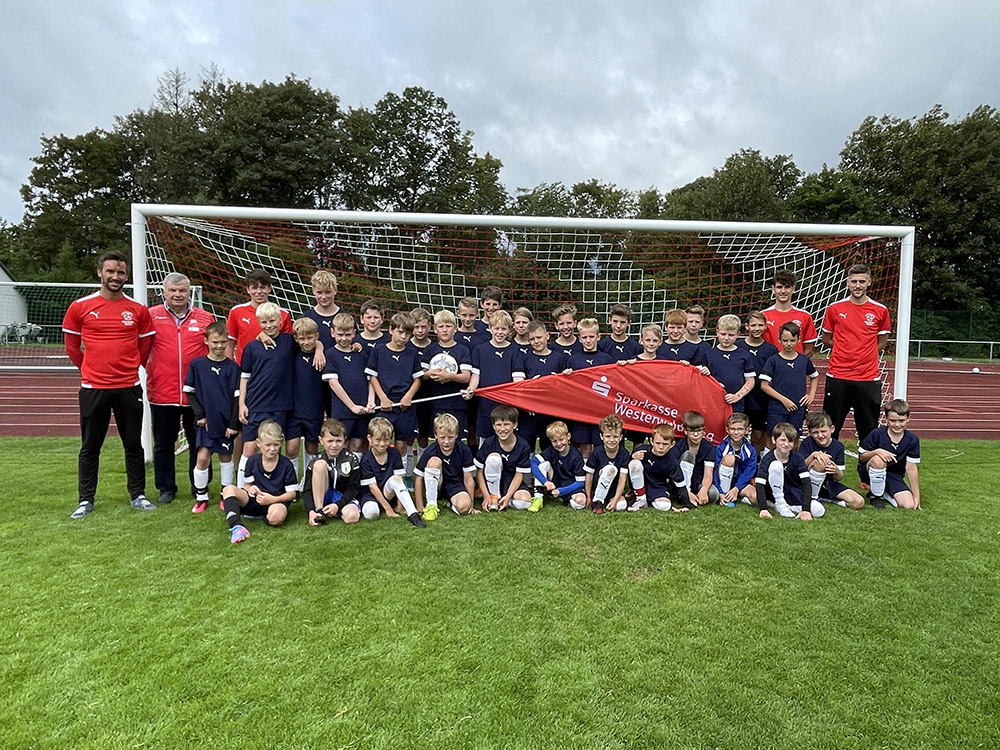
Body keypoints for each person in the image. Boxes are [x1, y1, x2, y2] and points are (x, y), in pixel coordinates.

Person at [63, 250, 156, 518]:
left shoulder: (137, 310)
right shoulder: (80, 307)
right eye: (111, 271)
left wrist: (129, 366)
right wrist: (90, 369)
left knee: (133, 444)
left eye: (121, 272)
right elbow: (71, 346)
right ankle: (85, 500)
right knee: (90, 446)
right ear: (100, 273)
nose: (116, 277)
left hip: (128, 387)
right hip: (94, 388)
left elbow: (145, 345)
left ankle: (137, 494)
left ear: (126, 275)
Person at [145, 272, 215, 504]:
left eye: (182, 291)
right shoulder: (151, 316)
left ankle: (200, 486)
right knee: (164, 443)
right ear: (164, 292)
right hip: (162, 392)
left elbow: (214, 353)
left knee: (200, 443)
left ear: (189, 292)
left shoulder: (205, 318)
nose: (177, 295)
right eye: (173, 290)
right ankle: (166, 488)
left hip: (196, 394)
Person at [821, 263, 891, 441]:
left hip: (867, 378)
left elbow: (881, 342)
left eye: (861, 281)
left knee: (868, 428)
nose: (857, 285)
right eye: (854, 281)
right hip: (838, 375)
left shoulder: (880, 310)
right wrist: (845, 350)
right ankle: (830, 466)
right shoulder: (834, 308)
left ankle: (869, 467)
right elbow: (827, 339)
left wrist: (863, 354)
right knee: (831, 426)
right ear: (847, 283)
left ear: (869, 282)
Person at [184, 321, 241, 514]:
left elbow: (236, 398)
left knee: (225, 457)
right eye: (215, 342)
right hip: (205, 422)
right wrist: (200, 414)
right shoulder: (197, 365)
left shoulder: (233, 368)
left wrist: (233, 423)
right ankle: (201, 496)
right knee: (202, 458)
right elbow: (189, 392)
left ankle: (226, 493)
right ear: (206, 341)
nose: (219, 346)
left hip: (225, 423)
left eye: (223, 342)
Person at [237, 302, 295, 484]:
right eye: (264, 322)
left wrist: (318, 349)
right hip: (255, 404)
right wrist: (242, 404)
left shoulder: (289, 342)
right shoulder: (252, 347)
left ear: (280, 320)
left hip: (280, 405)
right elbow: (245, 377)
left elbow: (311, 339)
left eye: (272, 321)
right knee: (250, 448)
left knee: (276, 447)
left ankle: (287, 486)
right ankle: (242, 488)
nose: (268, 325)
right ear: (258, 322)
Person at [220, 420, 297, 544]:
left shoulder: (286, 464)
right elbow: (247, 485)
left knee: (277, 517)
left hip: (275, 501)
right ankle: (237, 526)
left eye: (276, 445)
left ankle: (266, 516)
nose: (272, 449)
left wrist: (272, 499)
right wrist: (251, 489)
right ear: (258, 443)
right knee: (228, 490)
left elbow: (292, 494)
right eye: (268, 445)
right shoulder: (252, 461)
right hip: (255, 499)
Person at [366, 312, 423, 457]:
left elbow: (417, 379)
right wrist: (383, 398)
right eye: (400, 332)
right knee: (379, 441)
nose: (403, 337)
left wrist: (408, 396)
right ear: (391, 329)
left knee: (401, 444)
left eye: (408, 334)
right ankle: (379, 475)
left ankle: (400, 476)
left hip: (405, 406)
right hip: (384, 404)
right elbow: (372, 377)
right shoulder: (379, 350)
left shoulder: (412, 353)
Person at [464, 310, 525, 443]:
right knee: (485, 442)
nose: (500, 332)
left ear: (509, 330)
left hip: (507, 405)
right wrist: (471, 389)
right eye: (496, 328)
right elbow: (476, 375)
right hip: (486, 405)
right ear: (490, 328)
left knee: (507, 440)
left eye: (504, 329)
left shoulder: (515, 351)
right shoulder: (480, 350)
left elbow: (518, 381)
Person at [358, 417, 426, 527]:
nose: (382, 444)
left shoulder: (394, 453)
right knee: (371, 514)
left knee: (395, 479)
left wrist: (400, 504)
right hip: (371, 495)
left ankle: (413, 514)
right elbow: (372, 487)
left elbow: (399, 480)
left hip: (388, 492)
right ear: (369, 438)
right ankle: (385, 508)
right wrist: (388, 509)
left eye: (386, 440)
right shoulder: (366, 459)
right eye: (378, 440)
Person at [564, 318, 615, 458]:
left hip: (601, 409)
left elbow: (614, 383)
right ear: (579, 338)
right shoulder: (573, 360)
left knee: (600, 444)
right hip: (582, 410)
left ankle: (599, 474)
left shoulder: (607, 359)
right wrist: (567, 376)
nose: (588, 340)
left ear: (598, 337)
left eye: (591, 337)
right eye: (584, 337)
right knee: (584, 445)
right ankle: (586, 475)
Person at [858, 399, 921, 510]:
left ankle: (884, 493)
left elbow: (911, 468)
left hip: (894, 476)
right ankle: (876, 496)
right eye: (892, 420)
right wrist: (877, 451)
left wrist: (916, 496)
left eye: (901, 421)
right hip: (870, 471)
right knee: (879, 460)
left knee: (909, 505)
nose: (897, 424)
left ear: (908, 419)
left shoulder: (912, 440)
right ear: (886, 419)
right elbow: (862, 457)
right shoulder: (876, 434)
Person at [516, 320, 567, 452]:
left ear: (547, 335)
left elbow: (566, 386)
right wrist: (527, 401)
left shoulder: (559, 358)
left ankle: (549, 471)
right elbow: (519, 385)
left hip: (551, 412)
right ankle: (527, 471)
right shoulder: (524, 358)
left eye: (539, 337)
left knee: (549, 445)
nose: (536, 341)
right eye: (532, 339)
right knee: (526, 445)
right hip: (530, 412)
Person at [414, 413, 478, 518]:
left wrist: (471, 506)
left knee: (464, 507)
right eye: (442, 437)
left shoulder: (463, 450)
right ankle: (432, 504)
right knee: (434, 461)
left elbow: (468, 479)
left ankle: (451, 503)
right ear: (435, 435)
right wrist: (419, 507)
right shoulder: (430, 451)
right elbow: (418, 478)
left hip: (455, 485)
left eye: (451, 437)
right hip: (436, 486)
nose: (446, 441)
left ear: (457, 434)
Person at [760, 322, 819, 436]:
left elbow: (814, 376)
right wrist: (784, 400)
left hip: (797, 408)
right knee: (775, 438)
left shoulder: (803, 360)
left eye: (792, 340)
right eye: (785, 340)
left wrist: (811, 395)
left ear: (798, 339)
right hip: (777, 408)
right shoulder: (773, 360)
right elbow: (764, 385)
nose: (789, 344)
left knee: (794, 439)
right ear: (779, 340)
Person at [799, 410, 864, 513]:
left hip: (828, 483)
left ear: (832, 429)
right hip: (807, 482)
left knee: (858, 502)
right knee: (820, 462)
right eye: (815, 432)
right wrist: (813, 455)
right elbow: (799, 468)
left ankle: (827, 499)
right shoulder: (807, 443)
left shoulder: (838, 446)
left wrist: (836, 471)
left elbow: (839, 478)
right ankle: (812, 498)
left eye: (823, 431)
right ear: (810, 433)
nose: (820, 435)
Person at [285, 317, 326, 480]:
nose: (306, 342)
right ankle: (292, 483)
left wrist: (320, 349)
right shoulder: (292, 352)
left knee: (312, 447)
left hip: (314, 410)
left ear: (316, 336)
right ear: (296, 338)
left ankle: (309, 481)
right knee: (291, 448)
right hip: (294, 409)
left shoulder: (323, 356)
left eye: (310, 338)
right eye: (302, 338)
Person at [422, 310, 472, 441]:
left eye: (448, 326)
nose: (445, 330)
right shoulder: (429, 350)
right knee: (437, 441)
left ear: (455, 328)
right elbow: (422, 375)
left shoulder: (463, 350)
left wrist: (448, 376)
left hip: (457, 404)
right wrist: (430, 374)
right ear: (435, 329)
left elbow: (466, 377)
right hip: (435, 403)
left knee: (457, 441)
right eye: (441, 326)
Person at [302, 418, 363, 525]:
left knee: (352, 517)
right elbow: (307, 489)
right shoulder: (316, 460)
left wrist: (338, 505)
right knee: (320, 465)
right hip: (321, 496)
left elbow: (354, 488)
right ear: (321, 440)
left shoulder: (351, 459)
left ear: (344, 439)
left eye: (338, 441)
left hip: (341, 496)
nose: (334, 445)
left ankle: (334, 510)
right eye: (330, 441)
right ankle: (319, 511)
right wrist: (310, 511)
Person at [225, 269, 292, 364]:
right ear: (248, 289)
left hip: (272, 368)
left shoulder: (283, 314)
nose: (259, 291)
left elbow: (288, 345)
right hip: (245, 369)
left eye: (262, 287)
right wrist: (229, 369)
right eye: (254, 288)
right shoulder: (236, 311)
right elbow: (230, 344)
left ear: (269, 288)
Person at [475, 405, 533, 511]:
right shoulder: (488, 443)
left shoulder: (523, 446)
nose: (502, 429)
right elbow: (479, 472)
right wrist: (486, 495)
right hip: (490, 480)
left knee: (525, 502)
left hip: (510, 481)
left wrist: (508, 496)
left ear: (515, 424)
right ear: (493, 426)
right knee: (494, 458)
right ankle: (493, 496)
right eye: (498, 425)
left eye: (506, 424)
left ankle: (504, 500)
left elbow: (519, 474)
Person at [754, 422, 816, 520]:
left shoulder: (797, 458)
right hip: (773, 493)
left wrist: (806, 510)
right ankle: (780, 504)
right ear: (774, 440)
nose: (786, 444)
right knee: (776, 465)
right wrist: (763, 509)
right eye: (782, 440)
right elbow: (759, 484)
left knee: (819, 510)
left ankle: (791, 507)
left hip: (792, 492)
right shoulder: (767, 458)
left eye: (790, 441)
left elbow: (806, 483)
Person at [738, 310, 779, 451]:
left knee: (758, 434)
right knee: (737, 431)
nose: (757, 328)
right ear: (747, 326)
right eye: (753, 325)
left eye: (760, 325)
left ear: (765, 326)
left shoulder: (771, 350)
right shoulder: (738, 346)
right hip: (741, 396)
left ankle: (756, 463)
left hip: (761, 398)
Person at [628, 423, 687, 512]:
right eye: (657, 443)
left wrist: (687, 503)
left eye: (665, 444)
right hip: (639, 483)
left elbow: (679, 482)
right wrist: (632, 457)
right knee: (634, 464)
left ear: (672, 444)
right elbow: (624, 467)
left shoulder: (672, 461)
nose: (661, 447)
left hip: (657, 486)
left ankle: (650, 498)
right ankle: (640, 499)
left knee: (665, 506)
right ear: (651, 441)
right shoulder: (641, 451)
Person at [703, 314, 755, 414]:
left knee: (736, 428)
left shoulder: (744, 355)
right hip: (713, 402)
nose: (726, 338)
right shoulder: (708, 354)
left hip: (736, 404)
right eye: (723, 334)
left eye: (731, 335)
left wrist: (737, 396)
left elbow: (750, 381)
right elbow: (701, 380)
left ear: (738, 334)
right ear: (717, 332)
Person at [530, 420, 587, 510]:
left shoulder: (576, 455)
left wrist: (561, 491)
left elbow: (580, 482)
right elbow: (533, 462)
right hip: (555, 482)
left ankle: (567, 500)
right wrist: (545, 482)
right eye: (554, 441)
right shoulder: (552, 450)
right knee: (543, 464)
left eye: (561, 439)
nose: (558, 444)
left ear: (568, 436)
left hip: (571, 486)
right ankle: (538, 497)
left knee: (581, 501)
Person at [667, 411, 719, 506]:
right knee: (689, 455)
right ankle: (685, 495)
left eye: (699, 431)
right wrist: (685, 491)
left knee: (713, 494)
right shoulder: (678, 447)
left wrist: (704, 489)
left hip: (699, 482)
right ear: (686, 431)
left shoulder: (708, 448)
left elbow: (708, 473)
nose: (696, 435)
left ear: (703, 431)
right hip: (680, 483)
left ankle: (695, 497)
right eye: (692, 431)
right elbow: (673, 473)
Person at [762, 269, 818, 355]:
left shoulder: (805, 316)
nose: (783, 291)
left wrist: (797, 364)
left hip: (795, 367)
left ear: (793, 289)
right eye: (779, 287)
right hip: (769, 366)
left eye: (787, 287)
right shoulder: (763, 316)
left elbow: (809, 349)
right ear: (773, 290)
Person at [585, 414, 631, 514]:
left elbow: (622, 479)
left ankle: (608, 500)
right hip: (597, 487)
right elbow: (589, 476)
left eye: (615, 436)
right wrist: (588, 496)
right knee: (609, 469)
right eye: (608, 436)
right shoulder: (596, 452)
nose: (611, 440)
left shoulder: (624, 454)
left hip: (613, 490)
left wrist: (615, 500)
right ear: (601, 436)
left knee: (621, 505)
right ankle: (597, 501)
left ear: (620, 437)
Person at [712, 412, 758, 508]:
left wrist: (737, 488)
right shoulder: (720, 448)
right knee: (729, 458)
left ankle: (740, 498)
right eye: (733, 429)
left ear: (747, 430)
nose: (736, 432)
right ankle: (725, 495)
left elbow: (749, 472)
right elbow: (714, 470)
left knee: (756, 498)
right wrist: (720, 492)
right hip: (722, 482)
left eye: (740, 429)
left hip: (740, 484)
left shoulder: (751, 450)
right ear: (727, 430)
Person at [301, 270, 343, 351]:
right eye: (319, 292)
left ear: (335, 290)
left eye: (327, 292)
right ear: (313, 291)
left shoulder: (345, 318)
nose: (323, 297)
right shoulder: (305, 318)